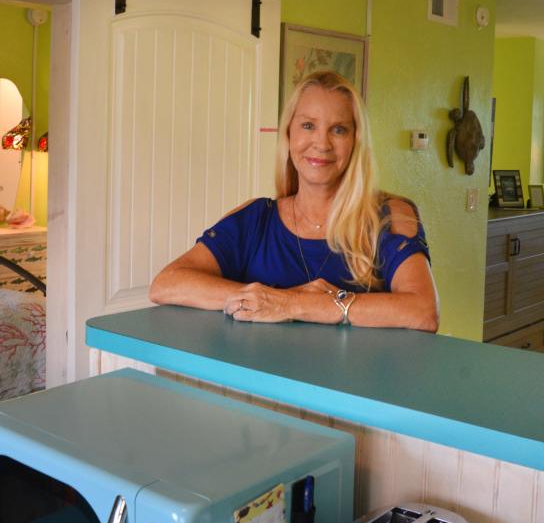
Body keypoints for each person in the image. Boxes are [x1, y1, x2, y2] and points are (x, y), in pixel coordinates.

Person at [149, 71, 439, 332]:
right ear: (289, 134)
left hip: (354, 388)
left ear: (356, 142)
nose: (322, 143)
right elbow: (167, 283)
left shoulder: (391, 216)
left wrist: (292, 304)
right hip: (264, 385)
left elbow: (423, 311)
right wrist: (264, 300)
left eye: (338, 129)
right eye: (308, 125)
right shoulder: (256, 219)